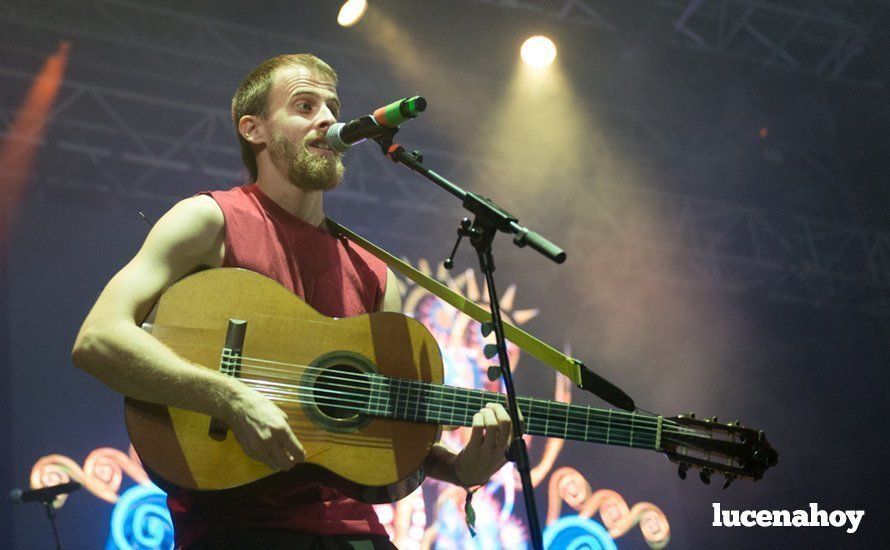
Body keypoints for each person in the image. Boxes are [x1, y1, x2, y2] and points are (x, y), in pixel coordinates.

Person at [71, 54, 514, 549]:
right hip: (237, 526)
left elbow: (385, 428)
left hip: (356, 533)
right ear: (254, 129)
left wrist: (460, 469)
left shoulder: (373, 272)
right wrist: (230, 398)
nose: (328, 119)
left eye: (333, 106)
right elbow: (99, 338)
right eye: (305, 105)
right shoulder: (207, 221)